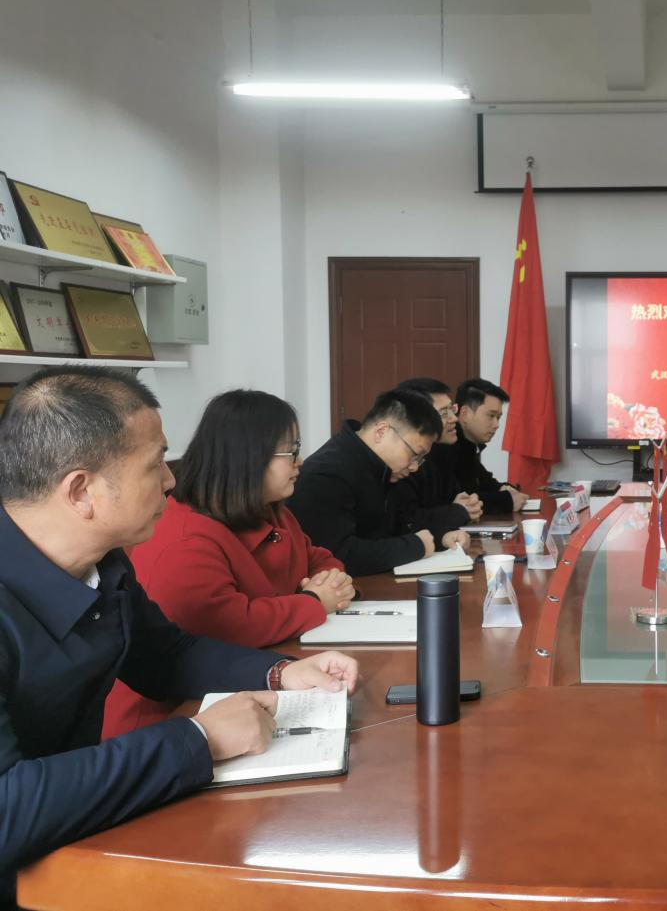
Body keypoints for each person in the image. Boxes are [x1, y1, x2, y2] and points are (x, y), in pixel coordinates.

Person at [0, 368, 358, 902]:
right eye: (154, 464)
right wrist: (200, 739)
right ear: (81, 491)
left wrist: (282, 673)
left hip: (69, 840)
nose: (171, 481)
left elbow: (164, 656)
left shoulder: (104, 564)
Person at [102, 389, 356, 739]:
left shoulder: (270, 510)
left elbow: (317, 557)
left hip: (243, 682)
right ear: (247, 456)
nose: (299, 462)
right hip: (171, 718)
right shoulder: (185, 536)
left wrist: (330, 582)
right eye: (291, 451)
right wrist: (313, 601)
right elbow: (227, 626)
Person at [289, 389, 469, 576]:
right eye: (414, 454)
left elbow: (398, 527)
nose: (414, 467)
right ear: (381, 432)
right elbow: (340, 555)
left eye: (420, 459)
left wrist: (441, 538)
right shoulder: (328, 473)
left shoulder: (381, 469)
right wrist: (417, 545)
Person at [391, 377, 484, 537]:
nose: (454, 418)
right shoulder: (402, 461)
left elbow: (453, 502)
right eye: (444, 413)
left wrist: (468, 504)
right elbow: (406, 521)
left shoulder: (443, 451)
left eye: (452, 409)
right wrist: (457, 511)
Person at [429, 378, 527, 513]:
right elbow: (458, 499)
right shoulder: (445, 445)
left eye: (498, 417)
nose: (496, 425)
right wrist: (506, 500)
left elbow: (485, 483)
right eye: (491, 415)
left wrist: (502, 489)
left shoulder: (468, 445)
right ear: (465, 414)